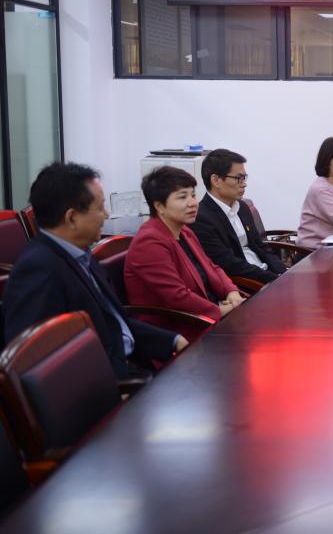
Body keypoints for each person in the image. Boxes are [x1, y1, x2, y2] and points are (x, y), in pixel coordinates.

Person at [2, 162, 186, 380]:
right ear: (71, 217)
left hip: (133, 365)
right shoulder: (38, 270)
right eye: (100, 207)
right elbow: (34, 363)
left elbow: (114, 323)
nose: (106, 215)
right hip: (108, 384)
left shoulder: (80, 253)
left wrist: (172, 340)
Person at [126, 166, 243, 321]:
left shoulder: (185, 231)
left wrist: (231, 291)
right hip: (184, 324)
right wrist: (223, 310)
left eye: (193, 195)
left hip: (211, 311)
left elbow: (211, 267)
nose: (193, 203)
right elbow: (177, 297)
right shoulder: (148, 243)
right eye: (182, 197)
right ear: (159, 206)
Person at [191, 149, 286, 285]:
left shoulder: (242, 207)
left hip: (266, 274)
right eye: (238, 178)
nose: (244, 183)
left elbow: (260, 247)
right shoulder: (201, 219)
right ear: (216, 180)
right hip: (247, 283)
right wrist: (273, 279)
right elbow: (229, 264)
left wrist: (284, 272)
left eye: (244, 177)